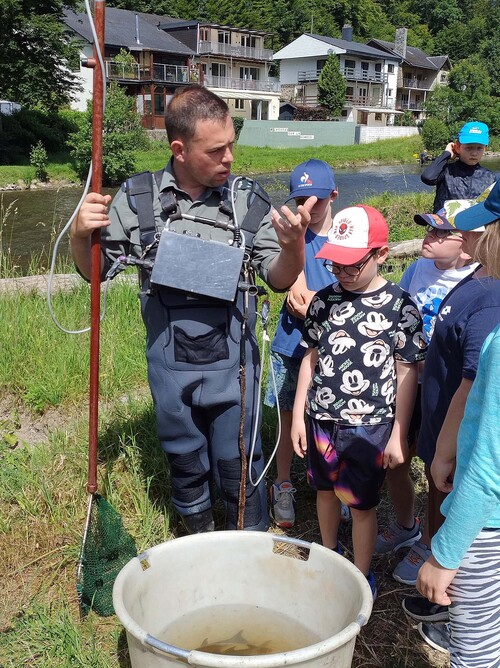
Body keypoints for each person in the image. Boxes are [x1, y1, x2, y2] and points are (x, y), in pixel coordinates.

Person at [70, 84, 315, 534]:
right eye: (216, 150)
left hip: (235, 368)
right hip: (170, 368)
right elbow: (96, 273)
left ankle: (248, 544)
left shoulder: (247, 198)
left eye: (232, 146)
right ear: (179, 150)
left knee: (237, 462)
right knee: (184, 459)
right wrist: (79, 236)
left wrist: (293, 249)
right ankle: (197, 542)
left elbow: (277, 277)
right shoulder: (138, 198)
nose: (230, 159)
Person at [291, 204, 427, 597]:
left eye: (352, 265)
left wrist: (399, 432)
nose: (343, 274)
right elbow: (310, 357)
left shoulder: (401, 306)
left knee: (362, 503)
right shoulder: (324, 301)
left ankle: (359, 575)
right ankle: (330, 553)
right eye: (335, 265)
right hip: (321, 419)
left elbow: (407, 371)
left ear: (381, 254)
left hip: (370, 425)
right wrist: (300, 415)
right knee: (324, 490)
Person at [401, 181, 500, 651]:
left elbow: (487, 463)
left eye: (483, 230)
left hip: (485, 527)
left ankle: (453, 623)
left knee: (476, 651)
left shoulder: (491, 312)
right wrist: (441, 448)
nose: (475, 239)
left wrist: (443, 555)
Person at [376, 200, 478, 586]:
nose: (428, 237)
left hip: (447, 392)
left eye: (440, 232)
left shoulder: (476, 282)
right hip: (405, 384)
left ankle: (436, 543)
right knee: (396, 457)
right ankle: (406, 525)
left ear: (466, 242)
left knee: (440, 465)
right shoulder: (417, 268)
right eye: (428, 228)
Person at [265, 159, 338, 528]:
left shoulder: (344, 239)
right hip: (290, 345)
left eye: (316, 200)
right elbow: (294, 295)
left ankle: (328, 485)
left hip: (335, 349)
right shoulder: (292, 237)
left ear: (334, 196)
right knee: (285, 419)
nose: (307, 208)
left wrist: (318, 305)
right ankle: (282, 483)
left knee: (328, 417)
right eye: (300, 200)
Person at [421, 121, 496, 212]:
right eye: (469, 147)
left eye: (479, 148)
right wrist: (447, 154)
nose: (474, 153)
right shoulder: (446, 171)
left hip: (475, 225)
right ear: (457, 147)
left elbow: (493, 208)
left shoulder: (490, 177)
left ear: (485, 148)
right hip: (445, 225)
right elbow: (427, 177)